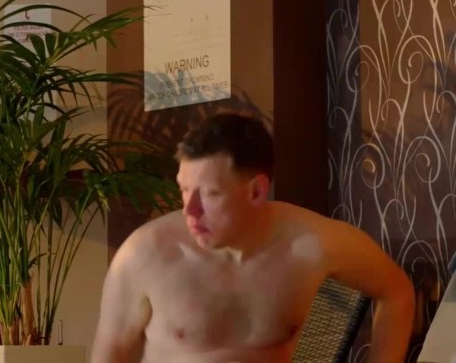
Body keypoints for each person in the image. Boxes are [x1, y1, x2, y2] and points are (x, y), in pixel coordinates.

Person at [91, 112, 415, 363]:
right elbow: (109, 354)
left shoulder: (311, 246)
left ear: (257, 191)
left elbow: (396, 292)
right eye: (184, 189)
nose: (190, 209)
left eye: (210, 194)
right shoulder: (146, 254)